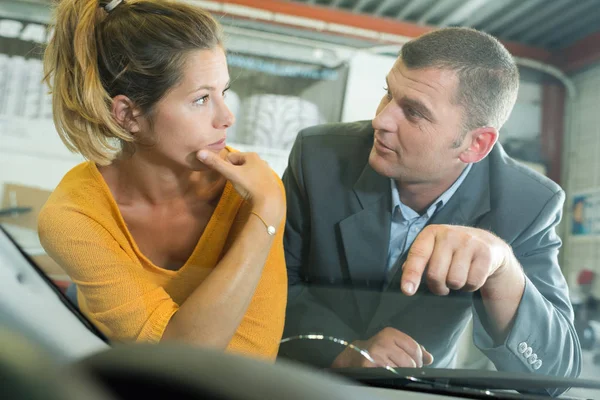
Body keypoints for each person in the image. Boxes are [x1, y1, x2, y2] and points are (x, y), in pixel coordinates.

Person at [280, 27, 581, 386]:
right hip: (301, 381)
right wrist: (343, 350)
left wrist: (502, 267)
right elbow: (275, 282)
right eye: (388, 94)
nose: (382, 120)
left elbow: (557, 373)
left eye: (414, 112)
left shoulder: (527, 203)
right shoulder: (320, 157)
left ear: (475, 144)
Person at [38, 0, 287, 360]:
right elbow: (181, 359)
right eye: (201, 99)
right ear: (128, 114)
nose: (227, 117)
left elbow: (250, 362)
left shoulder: (249, 192)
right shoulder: (73, 217)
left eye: (224, 92)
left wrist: (264, 208)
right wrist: (268, 216)